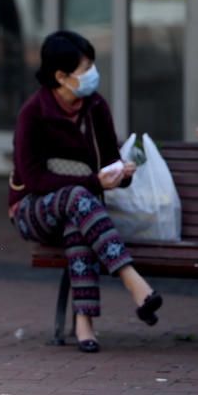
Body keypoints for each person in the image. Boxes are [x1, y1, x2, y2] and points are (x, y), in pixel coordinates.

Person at [9, 30, 163, 353]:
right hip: (32, 209)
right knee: (80, 198)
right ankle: (132, 281)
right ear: (61, 77)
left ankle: (84, 324)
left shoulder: (95, 106)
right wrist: (94, 183)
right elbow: (34, 180)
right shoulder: (32, 114)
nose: (92, 73)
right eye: (85, 67)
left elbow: (107, 162)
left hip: (81, 211)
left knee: (77, 221)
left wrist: (121, 172)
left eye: (92, 64)